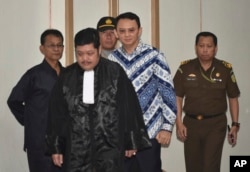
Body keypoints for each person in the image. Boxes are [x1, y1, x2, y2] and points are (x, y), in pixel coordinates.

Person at [45, 28, 152, 172]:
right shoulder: (66, 77)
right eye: (80, 54)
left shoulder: (115, 73)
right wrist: (56, 148)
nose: (85, 59)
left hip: (110, 147)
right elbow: (56, 115)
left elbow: (129, 108)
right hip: (76, 151)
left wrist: (131, 141)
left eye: (90, 53)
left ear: (99, 49)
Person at [108, 12, 177, 172]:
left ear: (139, 31)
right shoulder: (111, 60)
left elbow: (167, 92)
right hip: (121, 133)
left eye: (131, 30)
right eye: (122, 31)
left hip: (150, 131)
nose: (127, 35)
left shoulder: (155, 55)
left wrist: (167, 127)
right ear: (116, 33)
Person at [173, 31, 240, 172]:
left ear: (215, 48)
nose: (205, 49)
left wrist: (235, 124)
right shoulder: (185, 69)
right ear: (195, 47)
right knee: (193, 166)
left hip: (215, 124)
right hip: (191, 124)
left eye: (209, 46)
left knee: (210, 166)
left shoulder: (225, 69)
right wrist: (179, 122)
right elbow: (177, 97)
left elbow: (233, 97)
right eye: (201, 46)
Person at [7, 29, 64, 172]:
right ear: (42, 49)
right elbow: (13, 101)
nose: (56, 49)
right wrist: (31, 121)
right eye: (52, 45)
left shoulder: (67, 74)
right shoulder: (33, 75)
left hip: (62, 142)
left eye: (60, 45)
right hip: (39, 143)